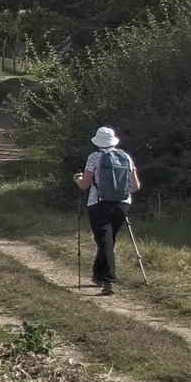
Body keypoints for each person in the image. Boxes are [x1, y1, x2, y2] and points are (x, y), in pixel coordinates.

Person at [74, 126, 140, 293]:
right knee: (107, 241)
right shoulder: (125, 156)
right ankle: (97, 274)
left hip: (99, 204)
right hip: (122, 204)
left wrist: (77, 178)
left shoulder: (94, 157)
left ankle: (108, 280)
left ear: (97, 142)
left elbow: (84, 184)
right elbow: (136, 186)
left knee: (104, 241)